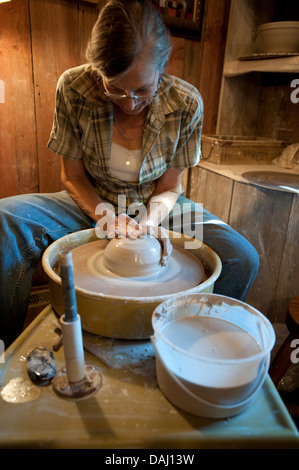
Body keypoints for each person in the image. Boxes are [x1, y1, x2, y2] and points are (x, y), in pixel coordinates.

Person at [0, 0, 259, 349]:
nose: (129, 102)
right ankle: (9, 351)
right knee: (5, 220)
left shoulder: (186, 103)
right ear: (98, 70)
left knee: (242, 257)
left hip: (158, 204)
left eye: (143, 90)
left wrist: (151, 223)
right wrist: (104, 214)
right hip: (91, 198)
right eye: (115, 87)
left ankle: (189, 347)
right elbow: (72, 177)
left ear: (161, 71)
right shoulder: (75, 87)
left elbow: (170, 185)